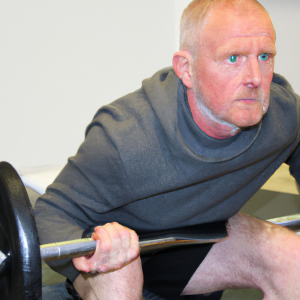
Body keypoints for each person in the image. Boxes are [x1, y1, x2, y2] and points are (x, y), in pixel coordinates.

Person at [34, 0, 300, 299]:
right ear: (186, 69)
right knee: (121, 273)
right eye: (233, 58)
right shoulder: (127, 137)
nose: (254, 77)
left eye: (264, 56)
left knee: (294, 259)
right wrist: (88, 250)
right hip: (120, 257)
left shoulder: (284, 115)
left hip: (192, 247)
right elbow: (49, 213)